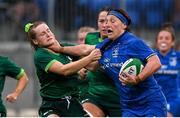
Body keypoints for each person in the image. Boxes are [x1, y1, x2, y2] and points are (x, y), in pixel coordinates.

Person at [95, 8, 167, 117]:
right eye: (106, 21)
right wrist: (63, 49)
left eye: (112, 21)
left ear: (124, 25)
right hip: (128, 106)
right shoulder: (104, 45)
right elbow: (85, 50)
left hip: (150, 103)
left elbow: (155, 62)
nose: (107, 24)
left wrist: (137, 79)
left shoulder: (133, 42)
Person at [24, 21, 101, 117]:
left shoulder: (62, 47)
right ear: (35, 41)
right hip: (53, 105)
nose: (48, 34)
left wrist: (105, 49)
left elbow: (89, 60)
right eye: (43, 34)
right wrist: (89, 58)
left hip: (73, 102)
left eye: (48, 31)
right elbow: (64, 70)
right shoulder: (40, 55)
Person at [80, 8, 121, 117]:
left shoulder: (124, 42)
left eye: (108, 21)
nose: (104, 25)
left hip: (118, 97)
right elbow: (86, 60)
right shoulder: (90, 37)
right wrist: (81, 68)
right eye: (101, 21)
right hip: (95, 95)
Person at [153, 23, 180, 117]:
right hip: (154, 99)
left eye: (167, 38)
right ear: (157, 42)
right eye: (161, 38)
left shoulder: (178, 57)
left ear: (172, 42)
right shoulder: (150, 57)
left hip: (174, 100)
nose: (163, 40)